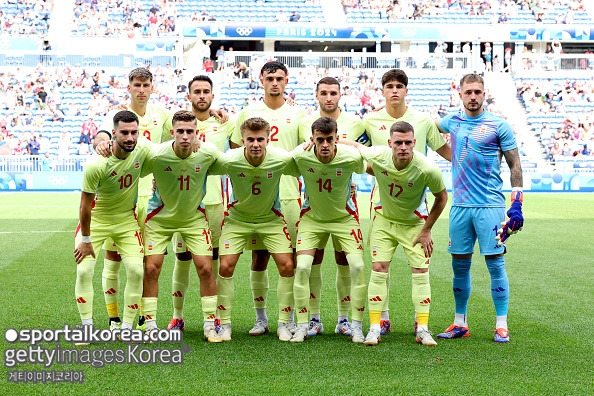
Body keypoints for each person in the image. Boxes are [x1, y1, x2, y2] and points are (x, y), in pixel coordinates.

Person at [93, 68, 227, 331]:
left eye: (146, 85)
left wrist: (211, 113)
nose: (141, 89)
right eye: (137, 84)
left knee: (150, 261)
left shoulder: (163, 115)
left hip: (161, 194)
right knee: (118, 257)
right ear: (129, 86)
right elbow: (102, 135)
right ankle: (114, 317)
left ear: (152, 87)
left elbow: (186, 124)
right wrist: (100, 141)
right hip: (127, 194)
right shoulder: (117, 113)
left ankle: (145, 318)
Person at [360, 69, 451, 336]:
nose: (395, 90)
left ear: (406, 90)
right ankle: (382, 319)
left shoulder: (422, 120)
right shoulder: (371, 120)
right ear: (383, 90)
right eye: (390, 86)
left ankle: (421, 324)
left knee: (420, 268)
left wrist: (474, 160)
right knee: (379, 265)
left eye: (400, 85)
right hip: (381, 203)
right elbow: (358, 151)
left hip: (415, 205)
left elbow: (445, 151)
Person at [342, 121, 448, 346]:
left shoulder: (427, 168)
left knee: (420, 271)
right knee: (379, 268)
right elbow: (354, 146)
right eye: (398, 142)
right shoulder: (378, 154)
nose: (403, 147)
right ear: (389, 143)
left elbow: (442, 198)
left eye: (407, 142)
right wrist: (325, 141)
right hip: (384, 221)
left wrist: (427, 230)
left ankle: (422, 329)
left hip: (414, 225)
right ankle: (374, 328)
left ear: (414, 143)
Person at [436, 73, 524, 343]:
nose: (473, 96)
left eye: (478, 92)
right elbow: (427, 130)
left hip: (490, 205)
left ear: (484, 94)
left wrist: (517, 203)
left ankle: (501, 324)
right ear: (460, 94)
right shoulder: (451, 120)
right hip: (460, 205)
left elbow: (515, 165)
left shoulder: (499, 125)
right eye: (468, 92)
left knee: (495, 263)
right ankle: (460, 323)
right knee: (459, 266)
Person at [230, 61, 306, 336]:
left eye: (279, 78)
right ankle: (261, 318)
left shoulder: (298, 114)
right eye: (270, 78)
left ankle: (289, 318)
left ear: (287, 81)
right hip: (255, 197)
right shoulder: (248, 113)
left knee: (290, 259)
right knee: (259, 257)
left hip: (288, 195)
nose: (275, 82)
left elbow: (302, 154)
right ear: (261, 79)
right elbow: (235, 152)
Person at [210, 117, 299, 342]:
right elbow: (199, 167)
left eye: (260, 139)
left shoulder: (280, 158)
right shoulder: (230, 159)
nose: (256, 144)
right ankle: (225, 323)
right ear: (242, 140)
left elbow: (309, 164)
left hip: (271, 219)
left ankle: (283, 322)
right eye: (251, 139)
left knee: (288, 266)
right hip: (237, 220)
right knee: (225, 266)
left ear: (268, 139)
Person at [140, 110, 222, 342]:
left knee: (205, 268)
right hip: (160, 218)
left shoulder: (207, 153)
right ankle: (151, 326)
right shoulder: (157, 155)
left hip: (193, 217)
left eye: (190, 131)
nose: (185, 136)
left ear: (197, 133)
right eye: (181, 131)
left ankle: (209, 324)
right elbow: (132, 158)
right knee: (152, 268)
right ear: (172, 132)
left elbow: (233, 162)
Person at [298, 77, 366, 338]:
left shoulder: (357, 123)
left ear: (341, 94)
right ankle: (313, 319)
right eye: (324, 93)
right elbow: (297, 157)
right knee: (311, 260)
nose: (329, 97)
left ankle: (344, 319)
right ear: (316, 95)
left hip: (343, 205)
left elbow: (364, 154)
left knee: (345, 261)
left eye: (333, 93)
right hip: (313, 204)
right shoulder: (305, 122)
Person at [166, 75, 235, 331]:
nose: (202, 95)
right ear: (189, 96)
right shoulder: (178, 124)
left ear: (213, 96)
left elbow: (237, 157)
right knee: (182, 258)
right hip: (185, 203)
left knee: (213, 261)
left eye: (206, 91)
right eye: (197, 91)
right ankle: (177, 315)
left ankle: (213, 317)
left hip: (216, 203)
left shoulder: (225, 124)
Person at [73, 111, 149, 338]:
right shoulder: (96, 163)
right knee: (84, 270)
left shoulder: (143, 150)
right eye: (124, 133)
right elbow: (84, 206)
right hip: (96, 221)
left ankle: (126, 328)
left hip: (126, 221)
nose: (129, 138)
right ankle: (86, 327)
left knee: (136, 270)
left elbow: (171, 149)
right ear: (113, 134)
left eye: (134, 132)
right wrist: (86, 240)